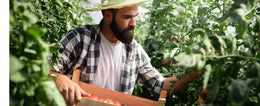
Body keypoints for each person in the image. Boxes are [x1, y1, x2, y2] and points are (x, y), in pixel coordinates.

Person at [49, 0, 201, 105]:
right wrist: (61, 78)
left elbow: (160, 87)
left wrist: (193, 73)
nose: (133, 23)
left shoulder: (134, 51)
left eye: (135, 17)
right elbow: (44, 70)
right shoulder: (80, 38)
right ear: (108, 15)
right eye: (127, 17)